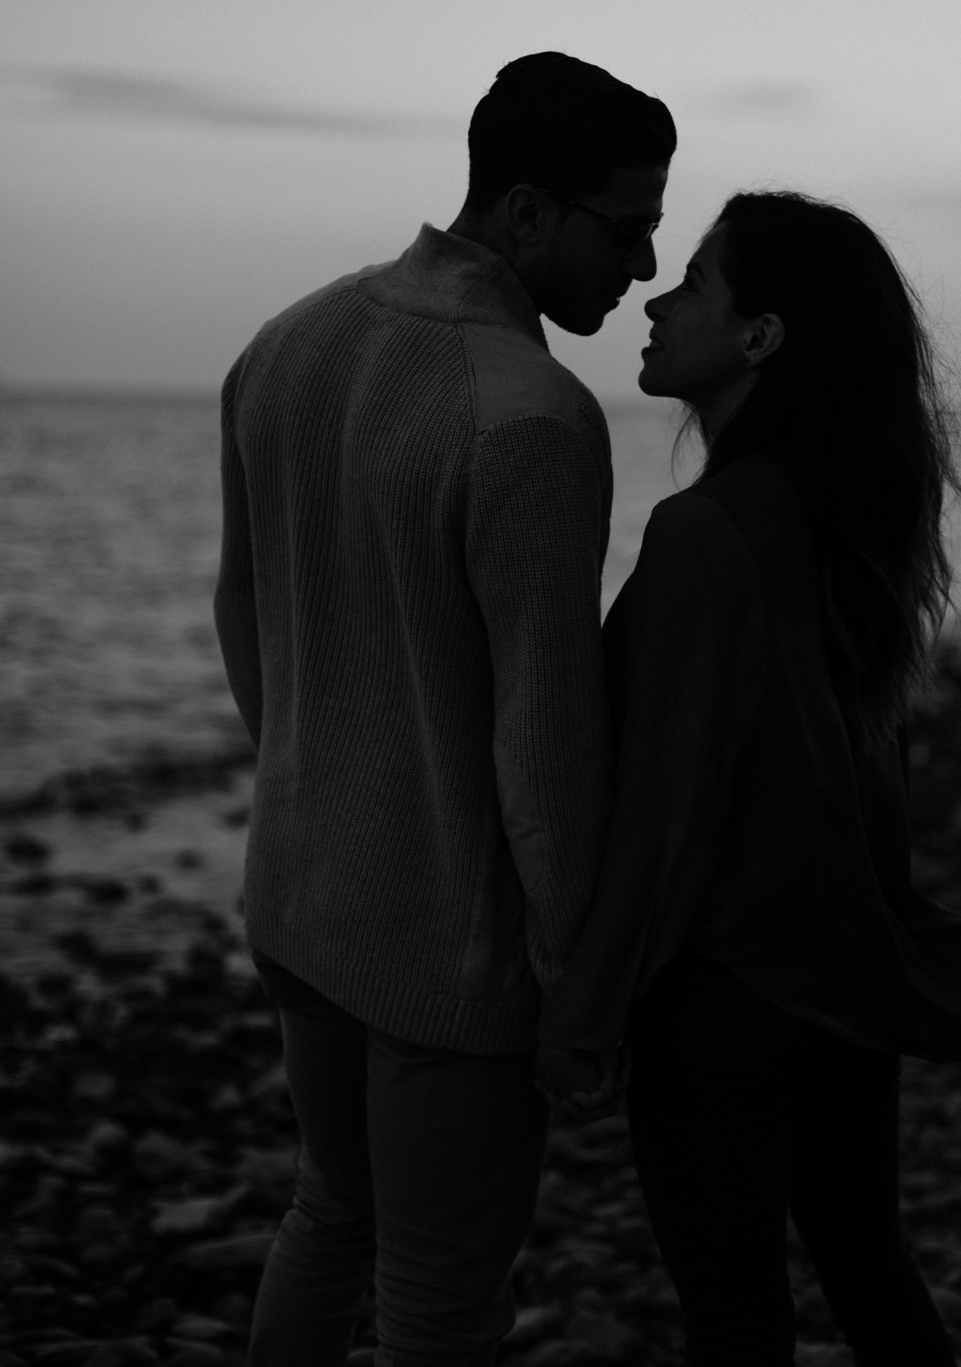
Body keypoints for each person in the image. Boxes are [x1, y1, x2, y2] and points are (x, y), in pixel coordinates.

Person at [538, 192, 961, 1366]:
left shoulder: (708, 533)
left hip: (725, 990)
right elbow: (862, 770)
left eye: (693, 280)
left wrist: (582, 1008)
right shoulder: (845, 518)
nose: (656, 297)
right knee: (866, 1261)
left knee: (738, 1320)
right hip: (842, 972)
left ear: (760, 336)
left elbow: (665, 812)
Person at [212, 52, 673, 1366]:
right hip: (444, 946)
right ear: (529, 212)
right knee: (440, 1302)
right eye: (628, 227)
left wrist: (314, 794)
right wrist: (575, 976)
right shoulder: (530, 417)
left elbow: (244, 614)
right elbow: (544, 737)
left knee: (328, 1213)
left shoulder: (284, 342)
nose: (642, 267)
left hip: (298, 888)